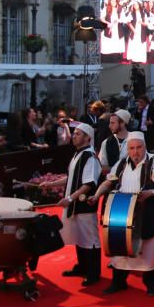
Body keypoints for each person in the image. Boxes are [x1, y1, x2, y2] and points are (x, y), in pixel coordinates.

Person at [91, 132, 154, 296]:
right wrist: (97, 195)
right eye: (132, 148)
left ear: (145, 147)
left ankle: (151, 284)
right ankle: (118, 282)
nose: (135, 152)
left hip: (148, 215)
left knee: (149, 252)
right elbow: (108, 182)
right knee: (120, 249)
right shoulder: (120, 164)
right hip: (122, 215)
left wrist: (150, 192)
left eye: (139, 147)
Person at [58, 122, 102, 286]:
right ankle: (82, 267)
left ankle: (93, 273)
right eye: (74, 133)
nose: (74, 136)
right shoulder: (78, 154)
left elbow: (88, 184)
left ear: (87, 137)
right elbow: (70, 178)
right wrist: (51, 184)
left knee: (90, 239)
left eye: (77, 133)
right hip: (75, 204)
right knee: (79, 237)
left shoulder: (89, 156)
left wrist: (70, 198)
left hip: (83, 205)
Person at [99, 109, 131, 174]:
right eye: (110, 123)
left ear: (122, 123)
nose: (109, 126)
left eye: (113, 123)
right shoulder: (106, 142)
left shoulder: (134, 140)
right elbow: (103, 167)